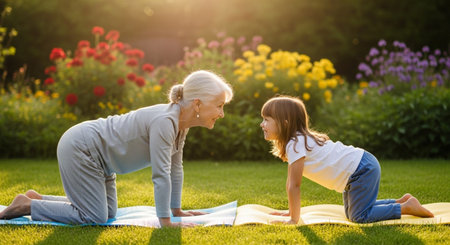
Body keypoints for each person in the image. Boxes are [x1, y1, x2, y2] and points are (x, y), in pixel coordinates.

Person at [0, 70, 233, 227]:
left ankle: (36, 199)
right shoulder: (165, 121)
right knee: (94, 216)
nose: (222, 113)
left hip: (102, 161)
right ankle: (28, 206)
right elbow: (160, 175)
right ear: (198, 104)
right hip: (82, 148)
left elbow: (175, 168)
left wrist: (177, 210)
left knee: (109, 213)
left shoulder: (180, 124)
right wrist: (166, 221)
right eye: (220, 106)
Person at [259, 95, 434, 224]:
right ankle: (401, 202)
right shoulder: (298, 141)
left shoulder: (296, 143)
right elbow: (292, 183)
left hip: (360, 170)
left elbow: (294, 185)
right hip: (360, 167)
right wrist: (290, 212)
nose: (262, 124)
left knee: (359, 217)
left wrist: (293, 219)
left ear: (285, 123)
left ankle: (405, 208)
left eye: (266, 120)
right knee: (353, 214)